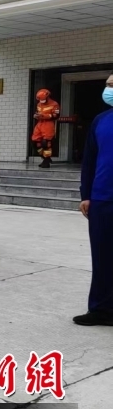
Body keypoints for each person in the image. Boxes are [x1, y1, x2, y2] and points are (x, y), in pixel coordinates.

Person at [76, 73, 113, 326]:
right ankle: (101, 309)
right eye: (107, 85)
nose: (108, 89)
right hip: (102, 199)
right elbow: (89, 160)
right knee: (102, 257)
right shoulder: (101, 120)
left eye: (112, 85)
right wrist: (86, 195)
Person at [32, 88, 61, 168]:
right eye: (40, 100)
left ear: (48, 97)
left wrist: (44, 116)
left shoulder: (54, 104)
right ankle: (45, 158)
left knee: (46, 144)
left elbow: (56, 116)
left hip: (48, 125)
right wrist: (36, 116)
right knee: (35, 142)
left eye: (43, 99)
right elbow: (37, 112)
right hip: (39, 124)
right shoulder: (39, 104)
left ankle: (46, 161)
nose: (41, 101)